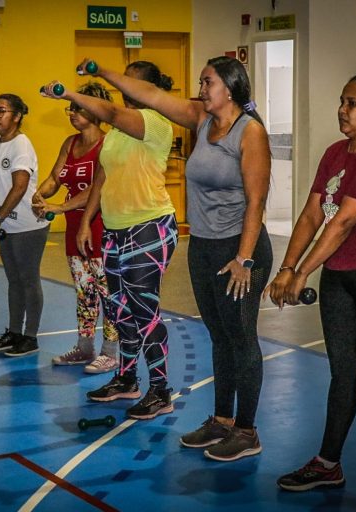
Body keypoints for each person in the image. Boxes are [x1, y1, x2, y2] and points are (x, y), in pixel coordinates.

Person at [86, 57, 273, 460]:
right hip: (204, 245)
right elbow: (149, 94)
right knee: (219, 337)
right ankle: (222, 420)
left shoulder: (250, 132)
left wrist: (245, 259)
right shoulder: (200, 119)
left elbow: (257, 200)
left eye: (207, 82)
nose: (200, 88)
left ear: (229, 87)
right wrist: (102, 73)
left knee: (242, 339)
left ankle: (247, 430)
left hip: (238, 249)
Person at [264, 72, 356, 511]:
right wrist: (288, 266)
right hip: (340, 278)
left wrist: (300, 274)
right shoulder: (334, 153)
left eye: (352, 104)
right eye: (342, 102)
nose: (342, 110)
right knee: (342, 374)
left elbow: (344, 221)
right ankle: (329, 463)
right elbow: (313, 214)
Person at [41, 60, 179, 420]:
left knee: (145, 313)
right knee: (120, 313)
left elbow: (114, 112)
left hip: (150, 228)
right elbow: (102, 177)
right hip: (115, 230)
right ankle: (126, 379)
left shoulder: (155, 123)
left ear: (149, 90)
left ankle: (161, 391)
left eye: (130, 84)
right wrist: (86, 221)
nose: (123, 88)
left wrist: (70, 93)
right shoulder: (116, 133)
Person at [31, 82, 120, 374]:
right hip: (74, 229)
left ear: (96, 111)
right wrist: (41, 194)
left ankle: (110, 352)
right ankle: (84, 347)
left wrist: (60, 207)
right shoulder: (69, 143)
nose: (72, 113)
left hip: (99, 226)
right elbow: (56, 177)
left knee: (107, 291)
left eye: (79, 108)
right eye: (70, 108)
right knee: (84, 290)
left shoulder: (109, 144)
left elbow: (99, 188)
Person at [0, 94, 49, 357]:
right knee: (14, 281)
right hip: (4, 224)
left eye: (2, 111)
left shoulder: (22, 145)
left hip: (28, 225)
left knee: (28, 279)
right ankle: (14, 332)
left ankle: (31, 337)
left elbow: (19, 187)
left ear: (17, 117)